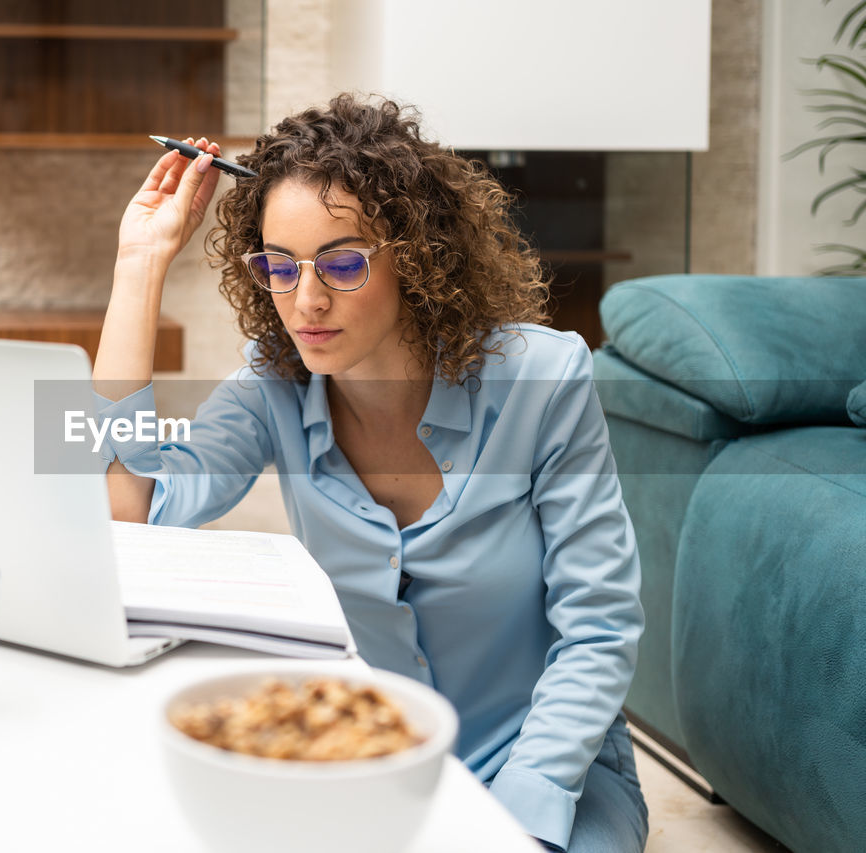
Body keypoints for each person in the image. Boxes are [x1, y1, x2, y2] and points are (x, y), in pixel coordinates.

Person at [92, 94, 648, 853]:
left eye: (343, 262)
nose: (306, 300)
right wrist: (138, 266)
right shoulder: (274, 382)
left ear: (417, 256)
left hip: (550, 766)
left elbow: (600, 626)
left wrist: (512, 820)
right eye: (278, 267)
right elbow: (126, 508)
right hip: (373, 763)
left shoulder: (544, 379)